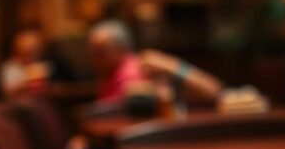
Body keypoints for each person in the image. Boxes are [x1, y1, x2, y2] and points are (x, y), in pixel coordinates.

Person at [88, 20, 222, 104]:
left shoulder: (146, 67)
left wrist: (172, 65)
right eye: (92, 53)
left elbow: (214, 91)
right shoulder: (106, 75)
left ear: (121, 49)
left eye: (101, 53)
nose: (94, 59)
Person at [0, 30, 51, 98]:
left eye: (33, 52)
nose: (29, 57)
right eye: (25, 52)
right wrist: (28, 84)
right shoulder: (11, 67)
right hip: (17, 105)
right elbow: (8, 93)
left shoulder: (43, 65)